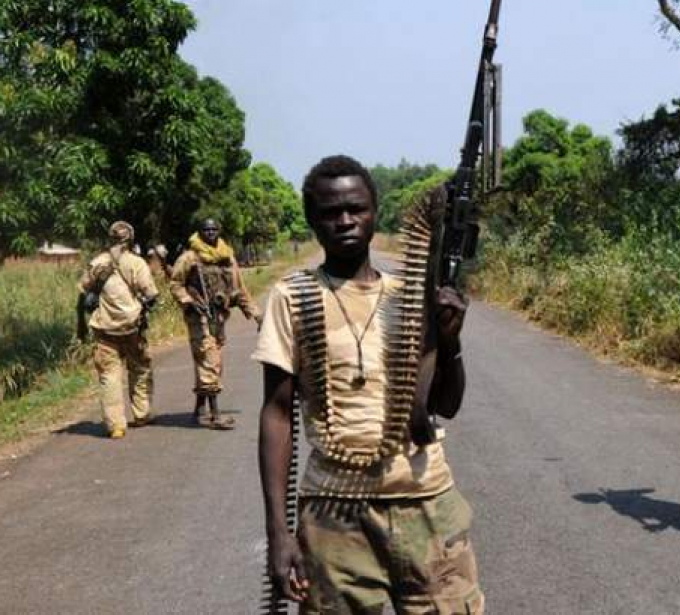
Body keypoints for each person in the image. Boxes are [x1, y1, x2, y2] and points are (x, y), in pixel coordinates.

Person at [256, 155, 484, 613]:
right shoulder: (292, 297)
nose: (344, 221)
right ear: (311, 221)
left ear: (374, 212)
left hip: (426, 499)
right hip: (334, 512)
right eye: (329, 212)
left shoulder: (413, 295)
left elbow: (447, 404)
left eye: (356, 209)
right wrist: (278, 533)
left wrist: (451, 342)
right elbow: (278, 413)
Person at [170, 219, 261, 429]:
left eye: (213, 229)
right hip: (199, 317)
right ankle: (215, 415)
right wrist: (189, 302)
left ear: (219, 231)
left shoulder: (227, 256)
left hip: (219, 317)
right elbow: (175, 284)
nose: (210, 233)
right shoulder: (190, 258)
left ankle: (199, 411)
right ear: (199, 232)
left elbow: (240, 290)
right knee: (209, 360)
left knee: (213, 360)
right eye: (205, 230)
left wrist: (257, 315)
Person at [76, 221, 159, 439]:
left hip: (104, 331)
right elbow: (150, 294)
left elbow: (82, 293)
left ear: (110, 238)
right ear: (130, 239)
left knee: (109, 377)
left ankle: (115, 426)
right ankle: (142, 414)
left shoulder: (97, 263)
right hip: (133, 329)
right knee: (141, 369)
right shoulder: (136, 263)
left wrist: (81, 325)